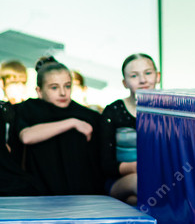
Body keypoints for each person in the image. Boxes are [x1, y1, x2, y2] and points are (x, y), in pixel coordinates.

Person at [12, 56, 104, 195]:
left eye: (67, 86)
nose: (63, 93)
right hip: (37, 195)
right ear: (39, 91)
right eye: (54, 87)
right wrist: (72, 122)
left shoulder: (88, 116)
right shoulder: (27, 109)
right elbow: (27, 137)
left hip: (82, 195)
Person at [101, 53, 160, 205]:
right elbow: (105, 164)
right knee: (140, 181)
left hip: (159, 178)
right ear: (124, 82)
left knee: (134, 201)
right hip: (122, 181)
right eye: (134, 76)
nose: (143, 80)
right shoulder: (113, 111)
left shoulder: (171, 110)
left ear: (158, 76)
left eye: (148, 73)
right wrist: (138, 167)